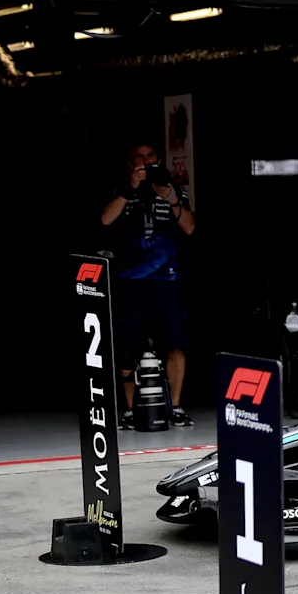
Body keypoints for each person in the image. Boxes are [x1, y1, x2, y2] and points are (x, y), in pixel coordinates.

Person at [101, 143, 195, 427]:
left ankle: (176, 407)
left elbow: (190, 228)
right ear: (131, 163)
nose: (146, 162)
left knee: (176, 343)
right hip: (131, 280)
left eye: (151, 157)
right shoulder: (121, 188)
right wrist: (130, 189)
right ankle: (129, 410)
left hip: (168, 279)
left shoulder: (172, 187)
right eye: (140, 157)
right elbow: (105, 219)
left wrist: (171, 198)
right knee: (128, 346)